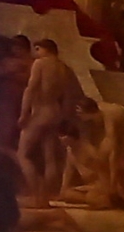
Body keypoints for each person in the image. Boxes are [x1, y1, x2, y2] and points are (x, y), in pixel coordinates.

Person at [17, 39, 86, 206]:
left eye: (37, 49)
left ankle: (36, 195)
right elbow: (67, 96)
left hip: (40, 111)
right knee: (50, 156)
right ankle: (48, 195)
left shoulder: (40, 64)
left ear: (46, 49)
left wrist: (24, 113)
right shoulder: (63, 68)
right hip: (55, 112)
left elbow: (31, 89)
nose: (35, 53)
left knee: (22, 154)